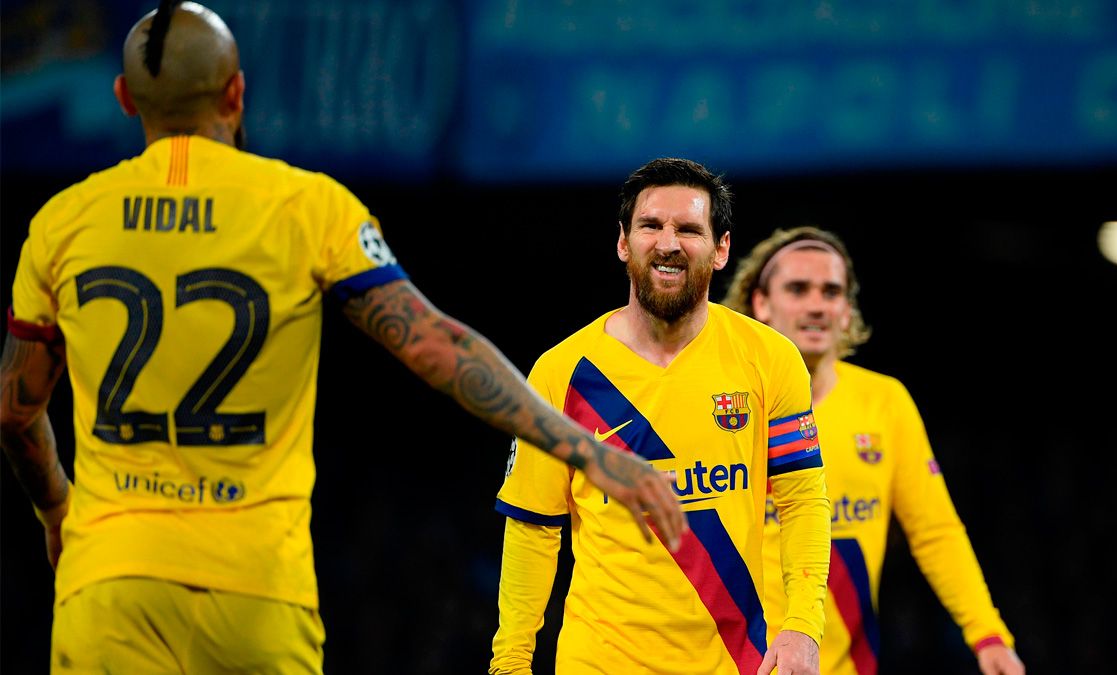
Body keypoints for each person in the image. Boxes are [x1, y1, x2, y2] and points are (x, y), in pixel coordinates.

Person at [0, 3, 685, 673]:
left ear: (124, 98)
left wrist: (57, 507)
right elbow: (436, 345)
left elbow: (16, 413)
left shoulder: (63, 222)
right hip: (256, 593)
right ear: (236, 92)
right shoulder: (305, 206)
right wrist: (587, 451)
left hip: (108, 583)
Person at [489, 158, 832, 675]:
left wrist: (803, 626)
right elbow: (532, 526)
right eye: (650, 225)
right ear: (623, 242)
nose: (668, 243)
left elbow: (802, 500)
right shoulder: (560, 373)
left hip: (733, 661)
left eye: (689, 229)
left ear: (721, 249)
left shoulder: (770, 359)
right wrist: (510, 662)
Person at [720, 226, 1024, 675]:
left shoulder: (885, 403)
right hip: (737, 662)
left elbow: (935, 531)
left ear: (847, 311)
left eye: (831, 292)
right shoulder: (726, 405)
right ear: (761, 304)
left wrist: (988, 635)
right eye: (798, 289)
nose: (817, 305)